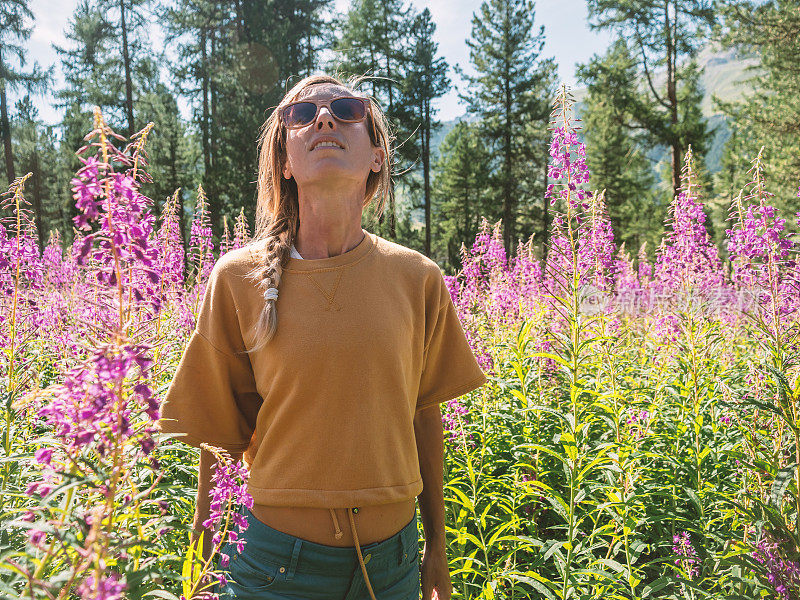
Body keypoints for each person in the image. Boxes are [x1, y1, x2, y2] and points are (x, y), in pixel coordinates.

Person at [157, 73, 488, 600]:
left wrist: (438, 548)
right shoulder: (237, 278)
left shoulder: (417, 278)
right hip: (270, 566)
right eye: (301, 115)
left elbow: (425, 417)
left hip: (393, 569)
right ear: (285, 163)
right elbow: (221, 434)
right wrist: (202, 558)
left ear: (377, 156)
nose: (325, 119)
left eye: (347, 110)